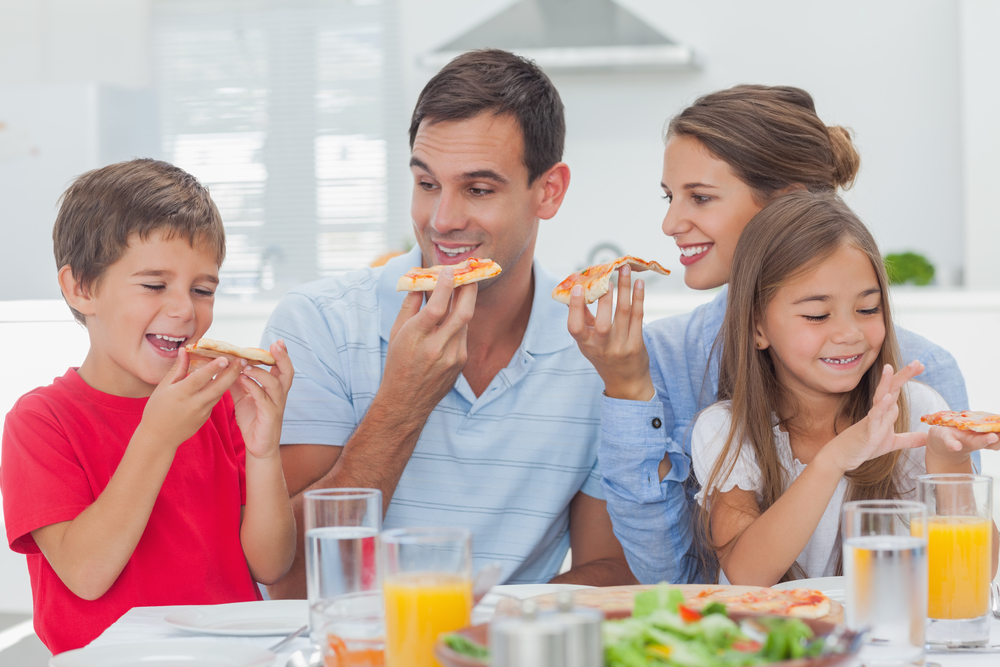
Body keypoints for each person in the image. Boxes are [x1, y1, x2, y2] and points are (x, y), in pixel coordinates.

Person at [262, 49, 636, 597]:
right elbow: (292, 580)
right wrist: (402, 404)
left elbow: (611, 570)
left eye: (478, 189)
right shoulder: (317, 326)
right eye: (427, 184)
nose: (442, 221)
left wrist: (477, 619)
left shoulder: (594, 353)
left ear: (548, 191)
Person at [565, 85, 973, 584]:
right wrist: (627, 390)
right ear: (758, 329)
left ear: (786, 206)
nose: (670, 223)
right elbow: (670, 578)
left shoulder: (919, 377)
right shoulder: (659, 360)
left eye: (701, 197)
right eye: (671, 197)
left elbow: (958, 575)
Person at [0, 159, 296, 653]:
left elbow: (272, 565)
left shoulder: (217, 405)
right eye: (155, 285)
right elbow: (86, 573)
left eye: (202, 289)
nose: (184, 309)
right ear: (81, 288)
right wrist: (157, 436)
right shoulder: (40, 423)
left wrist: (264, 453)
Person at [691, 191, 999, 584]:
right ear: (757, 327)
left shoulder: (914, 410)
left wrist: (949, 464)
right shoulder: (725, 429)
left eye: (868, 309)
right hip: (778, 644)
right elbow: (747, 575)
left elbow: (970, 577)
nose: (849, 333)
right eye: (817, 315)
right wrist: (834, 459)